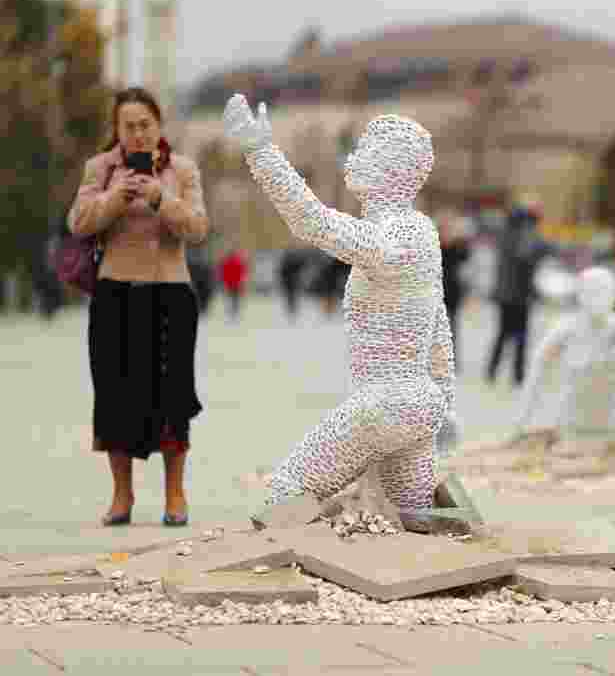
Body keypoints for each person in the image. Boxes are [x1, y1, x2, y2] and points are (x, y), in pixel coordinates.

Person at [223, 94, 457, 509]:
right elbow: (439, 334)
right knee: (410, 517)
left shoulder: (396, 236)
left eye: (365, 151)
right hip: (418, 405)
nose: (353, 158)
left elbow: (313, 222)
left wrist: (261, 152)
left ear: (392, 170)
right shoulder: (421, 233)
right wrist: (443, 408)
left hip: (385, 405)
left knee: (286, 495)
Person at [68, 87, 208, 526]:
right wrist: (115, 197)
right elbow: (78, 223)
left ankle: (174, 496)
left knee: (173, 396)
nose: (138, 133)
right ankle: (121, 496)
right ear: (117, 129)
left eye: (145, 124)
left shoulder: (183, 170)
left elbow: (199, 227)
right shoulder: (99, 168)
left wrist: (159, 199)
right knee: (114, 396)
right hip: (115, 295)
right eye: (128, 126)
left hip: (170, 294)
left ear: (159, 125)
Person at [516, 265, 615, 438]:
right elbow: (538, 365)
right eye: (591, 291)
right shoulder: (566, 327)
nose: (598, 297)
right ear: (580, 296)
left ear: (613, 295)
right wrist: (523, 417)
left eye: (604, 291)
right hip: (570, 421)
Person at [486, 203, 551, 386]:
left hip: (506, 295)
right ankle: (517, 374)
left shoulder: (505, 235)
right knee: (519, 335)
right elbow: (528, 257)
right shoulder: (524, 237)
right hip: (518, 296)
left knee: (503, 333)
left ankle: (493, 370)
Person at [438, 210, 472, 371]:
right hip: (435, 294)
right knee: (433, 331)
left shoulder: (457, 247)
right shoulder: (434, 245)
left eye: (449, 228)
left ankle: (450, 361)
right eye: (444, 228)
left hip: (452, 294)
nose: (447, 232)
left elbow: (466, 256)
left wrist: (459, 238)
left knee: (451, 329)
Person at [218, 246, 249, 322]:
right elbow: (243, 272)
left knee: (230, 298)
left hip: (229, 284)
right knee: (236, 298)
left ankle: (231, 311)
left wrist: (222, 281)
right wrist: (243, 281)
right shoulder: (238, 261)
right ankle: (235, 311)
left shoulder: (225, 262)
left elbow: (222, 273)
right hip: (237, 284)